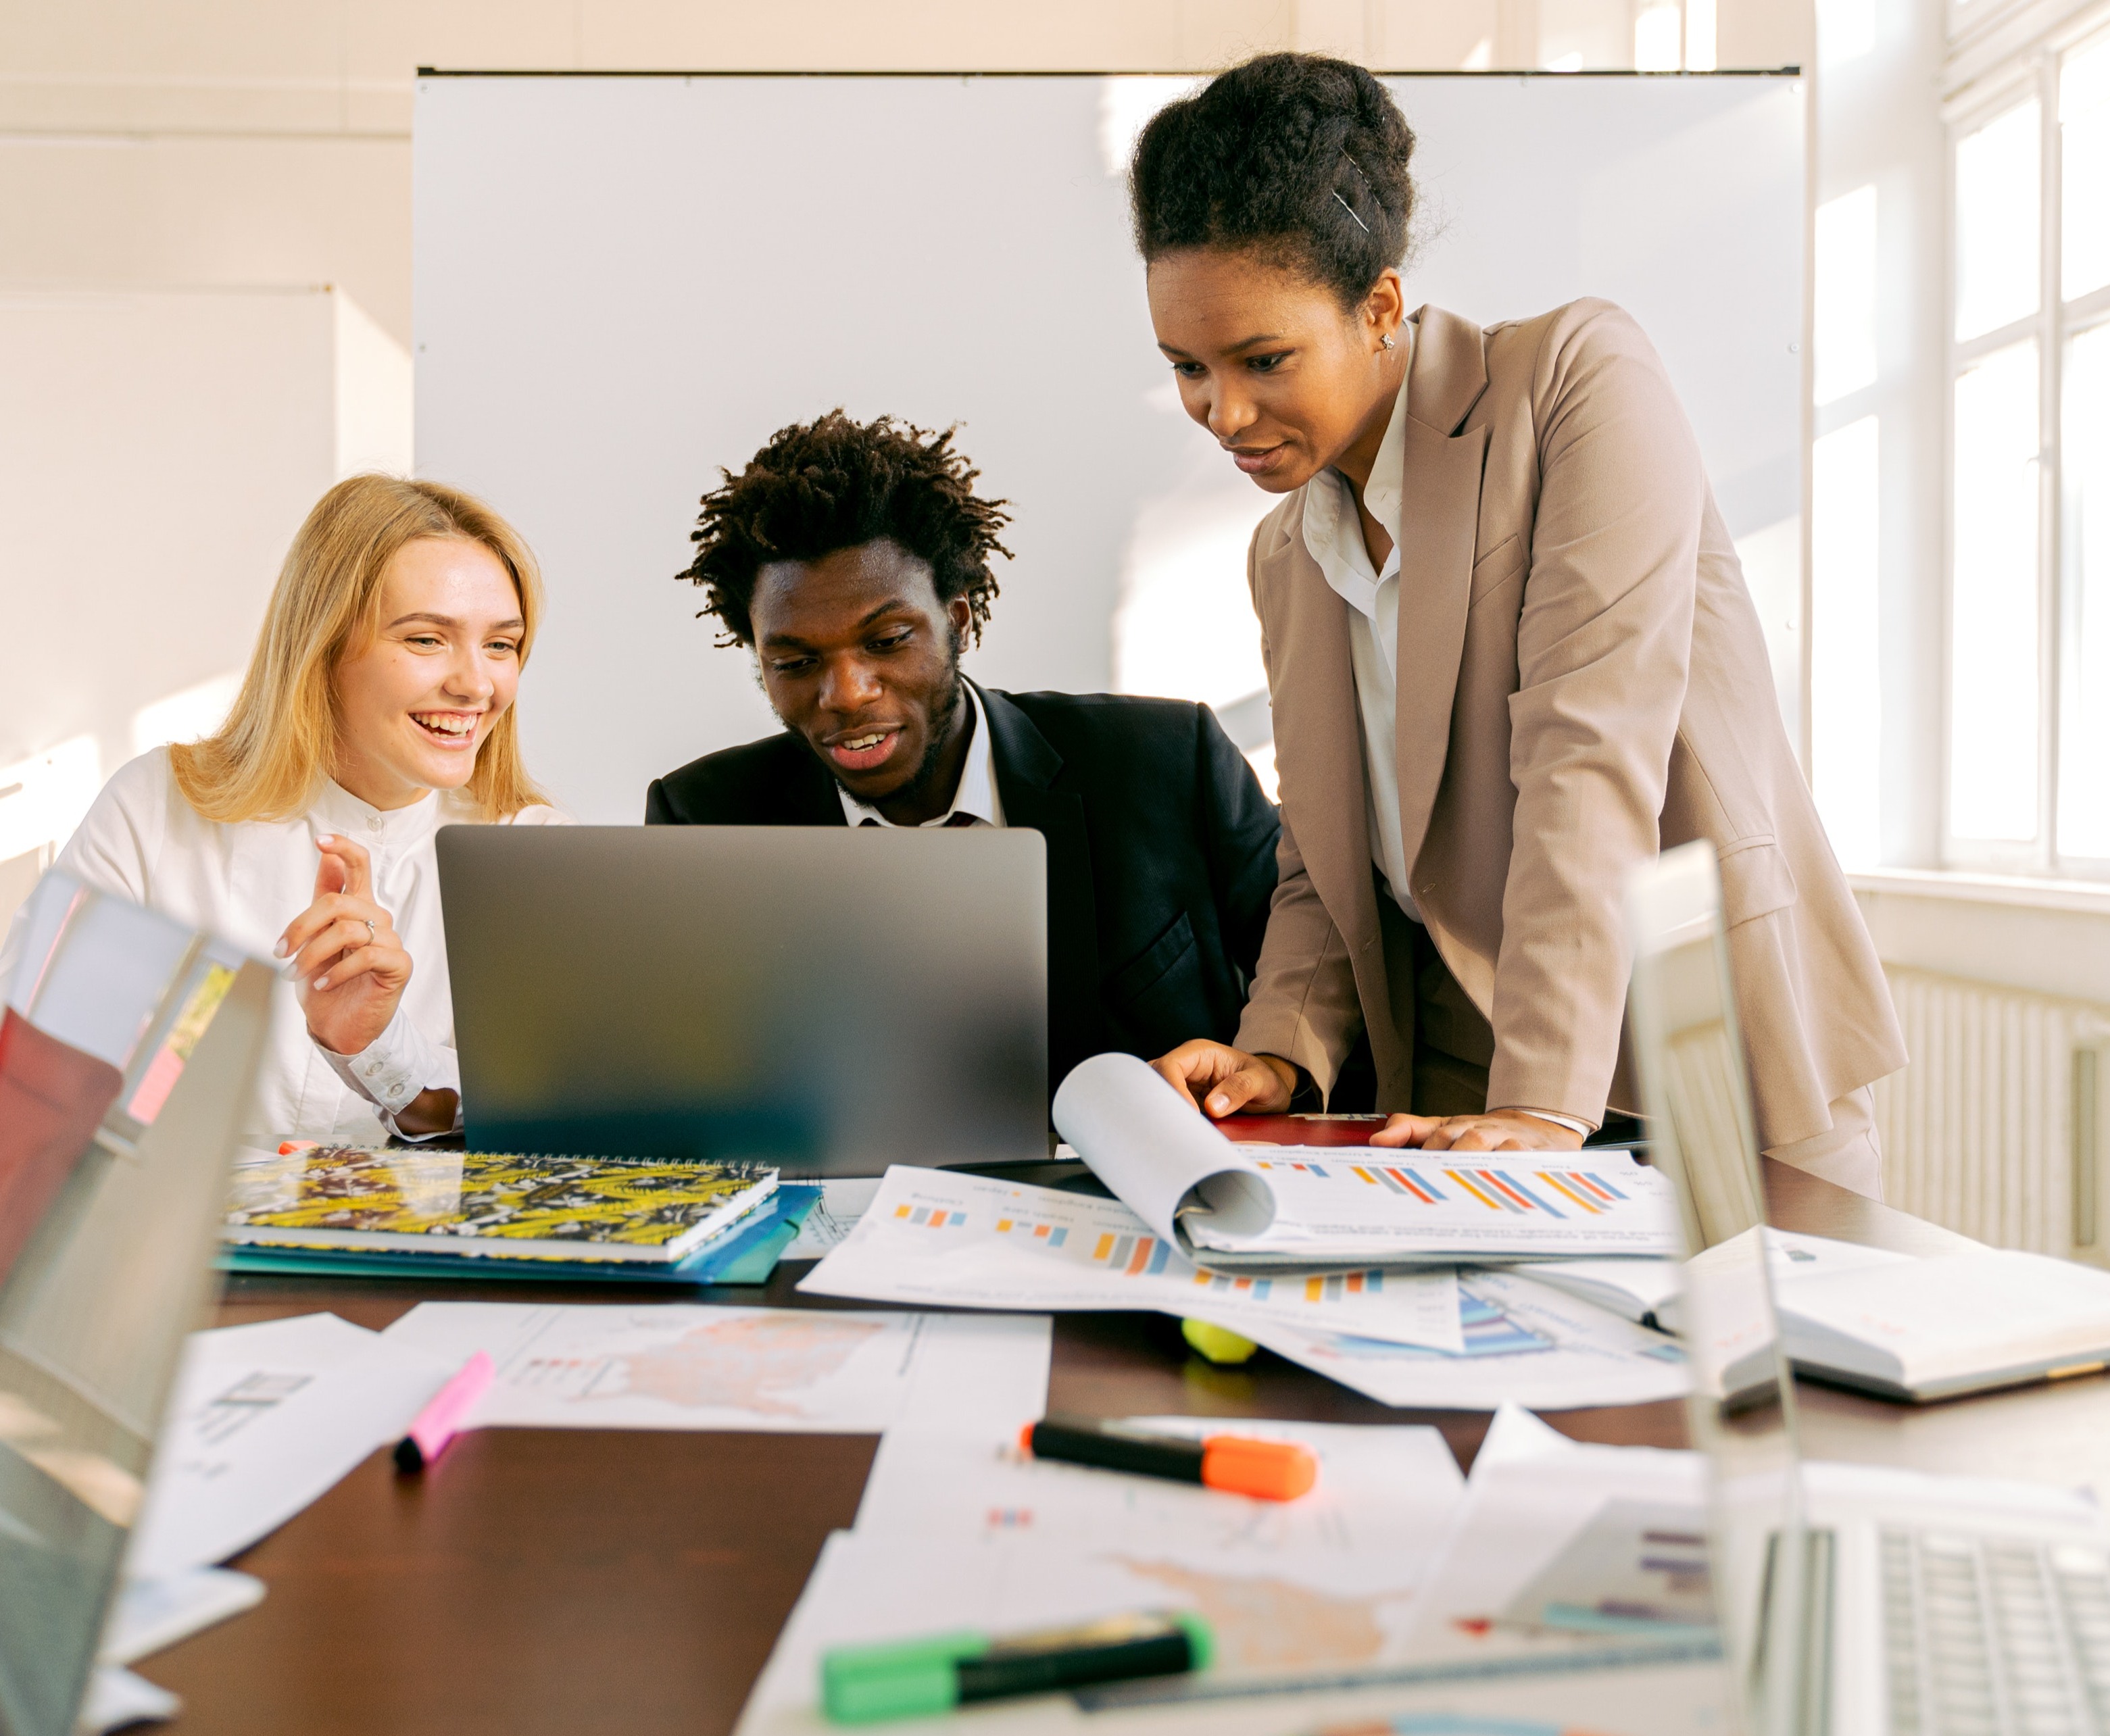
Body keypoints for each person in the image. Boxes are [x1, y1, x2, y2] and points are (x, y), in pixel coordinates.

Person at [1131, 54, 1905, 1198]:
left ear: (1379, 306)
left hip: (1694, 1057)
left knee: (1754, 1380)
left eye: (1263, 359)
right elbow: (1322, 854)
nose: (1223, 412)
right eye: (1188, 368)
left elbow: (1585, 753)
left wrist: (1540, 1096)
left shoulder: (1569, 385)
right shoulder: (1285, 553)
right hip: (1456, 1094)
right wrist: (1280, 1048)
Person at [645, 410, 1281, 1098]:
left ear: (956, 623)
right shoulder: (704, 819)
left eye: (887, 640)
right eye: (796, 660)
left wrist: (1275, 1066)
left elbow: (1326, 977)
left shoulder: (1163, 762)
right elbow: (677, 1080)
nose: (847, 693)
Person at [0, 474, 566, 1141]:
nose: (475, 683)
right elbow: (26, 1081)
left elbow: (540, 1128)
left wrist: (377, 1046)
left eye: (500, 644)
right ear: (322, 649)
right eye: (425, 639)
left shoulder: (536, 855)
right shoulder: (157, 808)